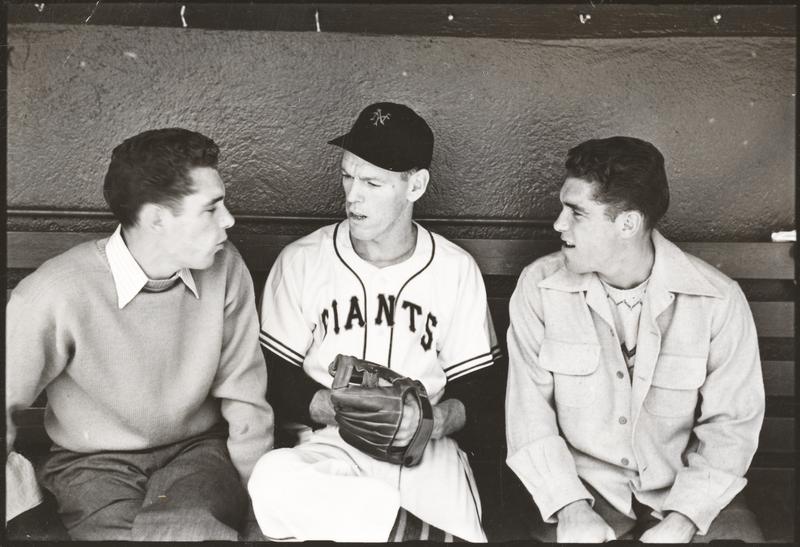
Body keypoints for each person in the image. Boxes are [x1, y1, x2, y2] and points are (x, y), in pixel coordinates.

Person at [248, 102, 501, 542]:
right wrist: (338, 409)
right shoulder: (303, 261)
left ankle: (389, 530)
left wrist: (433, 421)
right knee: (271, 478)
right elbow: (270, 376)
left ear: (415, 186)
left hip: (425, 453)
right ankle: (411, 535)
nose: (353, 196)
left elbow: (479, 389)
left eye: (372, 182)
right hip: (332, 450)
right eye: (348, 176)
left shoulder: (455, 269)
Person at [5, 128, 274, 541]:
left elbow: (246, 400)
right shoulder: (54, 292)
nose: (229, 220)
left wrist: (262, 511)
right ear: (156, 219)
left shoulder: (226, 267)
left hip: (198, 454)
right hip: (93, 466)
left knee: (191, 532)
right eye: (211, 208)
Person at [505, 136, 765, 543]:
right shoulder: (540, 288)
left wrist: (683, 520)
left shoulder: (717, 299)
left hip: (689, 492)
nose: (559, 224)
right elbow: (529, 417)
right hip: (583, 493)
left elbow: (732, 426)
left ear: (627, 224)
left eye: (576, 212)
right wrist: (570, 509)